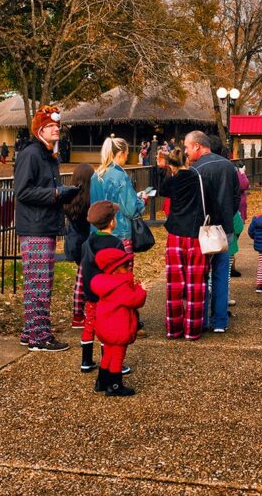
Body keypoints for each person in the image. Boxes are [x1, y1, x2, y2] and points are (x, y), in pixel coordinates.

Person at [14, 105, 79, 352]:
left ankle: (30, 331)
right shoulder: (31, 154)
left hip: (43, 224)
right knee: (39, 282)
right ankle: (39, 337)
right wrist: (55, 193)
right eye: (52, 126)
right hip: (35, 227)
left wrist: (61, 194)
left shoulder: (49, 154)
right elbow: (22, 191)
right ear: (40, 129)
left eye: (58, 126)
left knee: (38, 282)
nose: (57, 130)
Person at [185, 131, 240, 334]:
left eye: (187, 147)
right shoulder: (228, 165)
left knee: (201, 276)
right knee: (220, 274)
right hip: (225, 227)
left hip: (203, 230)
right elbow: (236, 198)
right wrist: (226, 216)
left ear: (198, 146)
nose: (186, 151)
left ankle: (202, 319)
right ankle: (220, 320)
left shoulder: (195, 169)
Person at [157, 148, 207, 339]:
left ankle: (173, 328)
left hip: (176, 233)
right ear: (187, 161)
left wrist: (169, 171)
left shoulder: (172, 180)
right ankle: (192, 330)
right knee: (195, 284)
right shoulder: (198, 178)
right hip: (195, 234)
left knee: (175, 284)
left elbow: (162, 190)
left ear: (171, 165)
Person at [89, 247, 146, 396]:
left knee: (107, 354)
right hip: (118, 329)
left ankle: (102, 381)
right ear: (115, 269)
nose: (129, 267)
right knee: (118, 356)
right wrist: (141, 289)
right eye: (125, 265)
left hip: (105, 329)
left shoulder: (106, 284)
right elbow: (135, 300)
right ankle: (115, 385)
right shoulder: (120, 286)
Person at [79, 201, 126, 373]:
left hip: (91, 293)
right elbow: (120, 272)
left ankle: (86, 360)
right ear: (112, 221)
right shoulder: (115, 244)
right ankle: (109, 361)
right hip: (109, 296)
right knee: (108, 328)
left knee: (90, 323)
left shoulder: (87, 243)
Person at [90, 137, 146, 258]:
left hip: (97, 233)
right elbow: (131, 209)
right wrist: (142, 201)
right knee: (121, 272)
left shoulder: (96, 175)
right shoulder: (120, 176)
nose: (127, 157)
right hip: (120, 233)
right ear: (121, 154)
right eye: (127, 154)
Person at [64, 163, 94, 329]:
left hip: (75, 242)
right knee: (85, 279)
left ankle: (77, 313)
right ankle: (82, 312)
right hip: (88, 242)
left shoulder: (70, 199)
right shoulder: (90, 200)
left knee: (80, 277)